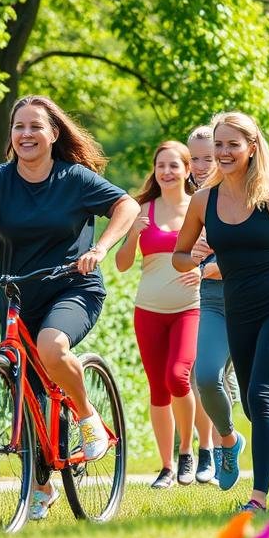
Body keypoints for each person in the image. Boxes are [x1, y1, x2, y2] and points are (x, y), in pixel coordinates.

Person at [0, 95, 139, 521]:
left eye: (36, 126)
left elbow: (126, 205)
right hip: (16, 294)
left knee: (52, 348)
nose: (26, 134)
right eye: (19, 127)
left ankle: (87, 416)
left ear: (54, 134)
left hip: (73, 287)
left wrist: (102, 248)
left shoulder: (74, 178)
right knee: (26, 392)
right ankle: (41, 483)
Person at [173, 112, 269, 513]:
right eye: (219, 145)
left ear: (252, 148)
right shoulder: (204, 200)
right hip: (237, 310)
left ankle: (258, 499)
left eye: (233, 144)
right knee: (255, 408)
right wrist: (195, 259)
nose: (224, 152)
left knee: (259, 396)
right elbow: (180, 257)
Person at [115, 141, 203, 487]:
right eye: (160, 166)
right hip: (148, 310)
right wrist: (133, 236)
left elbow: (217, 253)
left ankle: (186, 451)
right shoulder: (141, 210)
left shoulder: (199, 207)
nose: (166, 172)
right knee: (158, 389)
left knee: (178, 376)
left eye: (174, 166)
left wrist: (205, 267)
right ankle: (166, 467)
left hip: (189, 307)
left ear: (187, 170)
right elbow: (122, 266)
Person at [186, 125, 244, 489]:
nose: (203, 164)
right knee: (204, 376)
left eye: (209, 156)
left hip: (251, 294)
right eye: (196, 158)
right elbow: (183, 251)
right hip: (211, 298)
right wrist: (190, 258)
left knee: (251, 393)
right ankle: (227, 439)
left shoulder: (244, 191)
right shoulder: (196, 198)